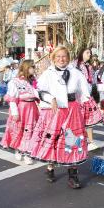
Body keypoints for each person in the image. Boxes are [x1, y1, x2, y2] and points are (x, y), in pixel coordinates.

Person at [29, 46, 90, 189]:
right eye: (58, 57)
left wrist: (101, 88)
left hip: (72, 110)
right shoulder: (47, 74)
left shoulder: (76, 73)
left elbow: (85, 89)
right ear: (53, 58)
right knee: (54, 140)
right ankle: (50, 167)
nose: (61, 59)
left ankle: (73, 175)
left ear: (68, 58)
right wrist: (51, 99)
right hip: (54, 111)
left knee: (72, 141)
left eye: (64, 56)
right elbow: (38, 91)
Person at [0, 60, 40, 165]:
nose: (33, 69)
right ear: (26, 68)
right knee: (19, 130)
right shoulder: (15, 81)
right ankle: (18, 149)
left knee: (30, 130)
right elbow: (13, 98)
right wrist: (15, 112)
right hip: (21, 108)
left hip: (32, 108)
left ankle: (27, 153)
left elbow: (37, 94)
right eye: (32, 67)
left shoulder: (33, 80)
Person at [72, 48, 103, 150]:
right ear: (81, 53)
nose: (89, 54)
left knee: (89, 121)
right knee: (78, 122)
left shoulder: (89, 67)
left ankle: (90, 142)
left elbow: (93, 82)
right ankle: (77, 142)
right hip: (77, 98)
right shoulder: (74, 65)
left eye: (90, 53)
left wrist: (101, 88)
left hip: (87, 97)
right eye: (87, 52)